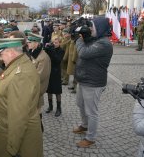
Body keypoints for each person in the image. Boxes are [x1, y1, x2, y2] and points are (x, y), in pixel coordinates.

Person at [0, 38, 43, 157]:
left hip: (16, 137)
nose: (0, 58)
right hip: (10, 130)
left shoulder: (20, 75)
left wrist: (13, 147)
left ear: (10, 52)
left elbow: (18, 116)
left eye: (1, 54)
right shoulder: (19, 64)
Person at [73, 16, 113, 148]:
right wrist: (84, 36)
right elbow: (87, 44)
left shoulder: (104, 44)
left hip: (93, 82)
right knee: (80, 104)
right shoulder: (95, 39)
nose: (90, 28)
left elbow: (83, 53)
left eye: (93, 27)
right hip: (84, 79)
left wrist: (78, 38)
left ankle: (91, 137)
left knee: (91, 111)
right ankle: (84, 125)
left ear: (100, 28)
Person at [26, 33, 51, 131]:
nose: (27, 43)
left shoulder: (43, 57)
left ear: (36, 43)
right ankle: (37, 126)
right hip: (32, 86)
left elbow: (40, 76)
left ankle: (38, 127)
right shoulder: (33, 52)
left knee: (37, 107)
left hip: (37, 87)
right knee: (35, 106)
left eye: (30, 42)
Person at [45, 37, 65, 117]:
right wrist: (46, 49)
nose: (54, 44)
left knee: (57, 91)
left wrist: (52, 51)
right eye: (53, 42)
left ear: (60, 43)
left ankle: (59, 108)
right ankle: (50, 106)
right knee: (49, 90)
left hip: (56, 72)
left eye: (56, 43)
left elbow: (57, 60)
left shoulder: (61, 50)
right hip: (49, 71)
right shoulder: (50, 49)